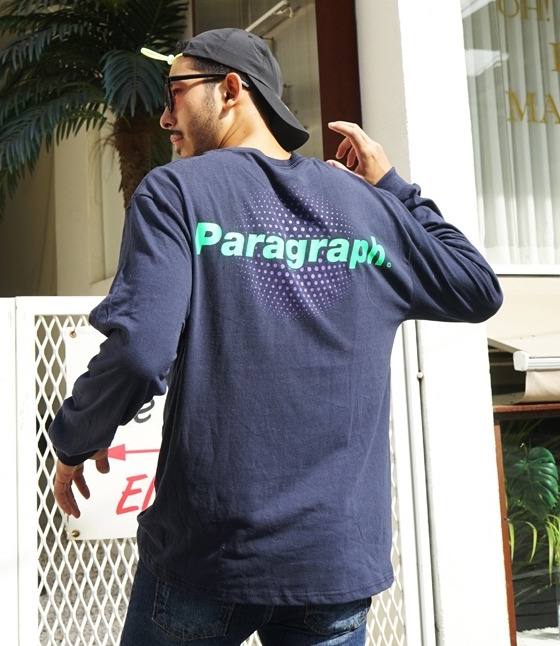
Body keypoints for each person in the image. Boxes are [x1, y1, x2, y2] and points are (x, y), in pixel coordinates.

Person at [49, 27, 503, 645]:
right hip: (332, 563)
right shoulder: (366, 209)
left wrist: (77, 437)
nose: (164, 118)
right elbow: (477, 286)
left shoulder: (178, 193)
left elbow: (139, 350)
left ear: (230, 89)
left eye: (174, 93)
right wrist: (393, 189)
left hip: (208, 555)